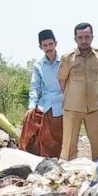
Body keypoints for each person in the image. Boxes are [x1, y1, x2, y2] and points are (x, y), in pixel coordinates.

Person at [58, 23, 98, 161]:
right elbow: (62, 80)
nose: (84, 40)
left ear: (92, 37)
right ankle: (67, 176)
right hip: (72, 107)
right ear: (75, 39)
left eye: (87, 36)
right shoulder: (67, 57)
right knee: (69, 146)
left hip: (94, 107)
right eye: (80, 37)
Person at [20, 29, 63, 158]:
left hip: (62, 103)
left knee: (57, 138)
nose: (48, 48)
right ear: (40, 47)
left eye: (50, 44)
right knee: (30, 123)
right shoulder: (39, 65)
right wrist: (31, 106)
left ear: (56, 43)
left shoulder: (65, 62)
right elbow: (34, 86)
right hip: (44, 103)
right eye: (45, 45)